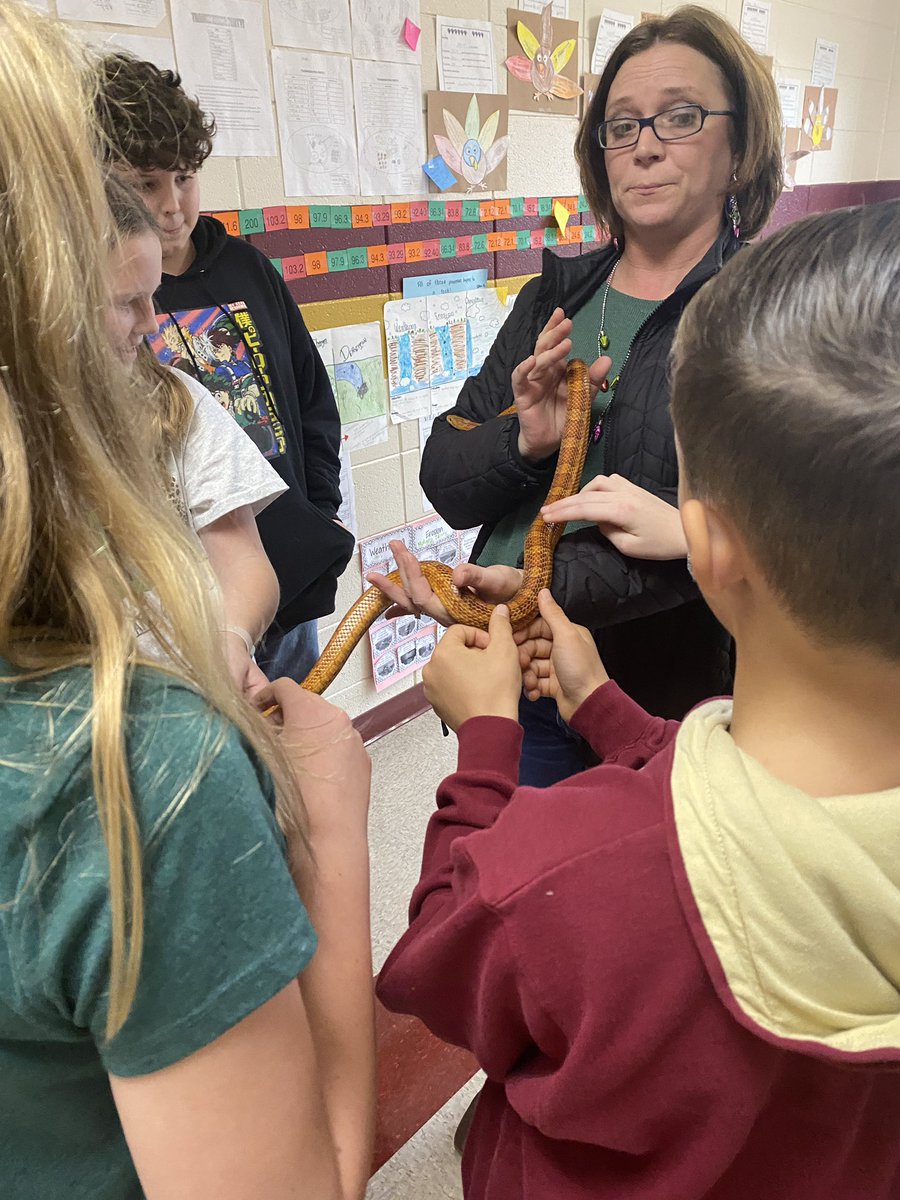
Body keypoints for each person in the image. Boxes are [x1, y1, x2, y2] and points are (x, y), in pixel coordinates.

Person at [377, 200, 900, 1199]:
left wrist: (484, 744)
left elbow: (439, 968)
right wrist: (604, 710)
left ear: (702, 542)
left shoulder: (568, 873)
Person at [0, 6, 374, 1198]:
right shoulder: (132, 780)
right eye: (123, 312)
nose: (150, 331)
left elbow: (248, 546)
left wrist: (218, 644)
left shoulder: (180, 384)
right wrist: (335, 836)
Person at [378, 5, 782, 786]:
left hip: (649, 705)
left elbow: (742, 539)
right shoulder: (551, 299)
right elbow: (447, 477)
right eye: (622, 126)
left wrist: (527, 595)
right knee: (514, 879)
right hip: (511, 676)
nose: (647, 146)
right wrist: (526, 441)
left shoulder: (767, 316)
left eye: (681, 117)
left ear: (741, 146)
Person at [95, 53, 355, 683]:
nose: (172, 205)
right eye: (145, 183)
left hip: (284, 581)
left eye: (184, 178)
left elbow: (313, 398)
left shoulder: (247, 268)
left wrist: (316, 509)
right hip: (181, 607)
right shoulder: (103, 295)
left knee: (295, 745)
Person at [105, 172, 285, 695]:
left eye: (152, 296)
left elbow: (246, 565)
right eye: (123, 302)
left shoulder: (174, 399)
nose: (151, 324)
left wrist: (229, 643)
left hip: (198, 701)